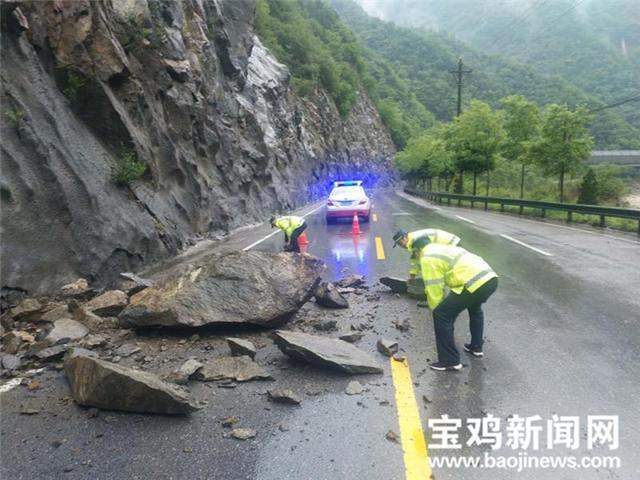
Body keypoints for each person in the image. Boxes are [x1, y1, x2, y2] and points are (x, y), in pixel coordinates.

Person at [418, 239, 498, 371]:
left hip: (473, 282)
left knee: (442, 314)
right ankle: (476, 347)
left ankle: (450, 361)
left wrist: (437, 310)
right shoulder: (443, 248)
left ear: (418, 251)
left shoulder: (426, 258)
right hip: (490, 279)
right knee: (475, 309)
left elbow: (434, 288)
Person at [393, 228, 461, 279]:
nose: (401, 246)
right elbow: (415, 259)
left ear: (404, 238)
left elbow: (427, 260)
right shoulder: (413, 242)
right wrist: (412, 277)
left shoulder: (418, 240)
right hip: (448, 246)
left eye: (400, 243)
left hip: (452, 245)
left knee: (451, 271)